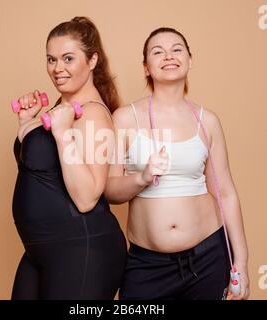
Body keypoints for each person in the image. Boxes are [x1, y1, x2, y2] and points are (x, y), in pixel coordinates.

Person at [104, 27, 250, 300]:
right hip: (147, 265)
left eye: (177, 49)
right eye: (157, 52)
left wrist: (241, 261)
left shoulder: (207, 122)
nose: (168, 56)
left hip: (208, 258)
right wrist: (142, 177)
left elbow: (226, 193)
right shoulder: (125, 118)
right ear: (146, 67)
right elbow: (110, 191)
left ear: (190, 60)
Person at [11, 16, 127, 300]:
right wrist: (27, 124)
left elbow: (87, 197)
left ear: (92, 60)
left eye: (68, 58)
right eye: (51, 59)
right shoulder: (58, 110)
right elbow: (41, 175)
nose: (57, 68)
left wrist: (63, 135)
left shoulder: (93, 114)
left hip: (81, 249)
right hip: (41, 249)